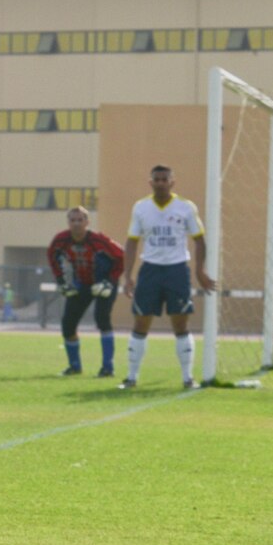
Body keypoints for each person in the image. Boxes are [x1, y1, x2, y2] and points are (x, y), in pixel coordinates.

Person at [120, 165, 214, 389]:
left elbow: (199, 240)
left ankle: (187, 378)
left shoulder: (185, 207)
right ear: (150, 182)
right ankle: (131, 377)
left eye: (165, 179)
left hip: (177, 270)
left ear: (173, 182)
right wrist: (128, 275)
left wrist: (200, 270)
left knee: (180, 321)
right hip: (150, 269)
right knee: (141, 321)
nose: (161, 183)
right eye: (157, 179)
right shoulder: (141, 207)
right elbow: (132, 241)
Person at [47, 207, 124, 377]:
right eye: (73, 220)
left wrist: (110, 280)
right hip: (82, 283)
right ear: (68, 222)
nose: (76, 224)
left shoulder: (99, 240)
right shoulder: (61, 240)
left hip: (103, 283)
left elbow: (121, 256)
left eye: (80, 220)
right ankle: (74, 366)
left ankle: (107, 368)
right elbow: (52, 255)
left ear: (87, 222)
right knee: (68, 324)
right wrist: (61, 280)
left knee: (102, 318)